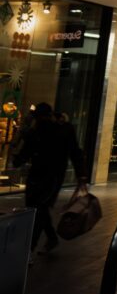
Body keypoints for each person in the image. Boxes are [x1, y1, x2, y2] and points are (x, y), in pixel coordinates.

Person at [13, 102, 87, 256]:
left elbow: (22, 155)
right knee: (40, 209)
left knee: (38, 209)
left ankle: (30, 248)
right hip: (50, 177)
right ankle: (50, 238)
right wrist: (81, 175)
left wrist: (81, 175)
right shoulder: (57, 130)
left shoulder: (42, 131)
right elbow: (75, 153)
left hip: (45, 177)